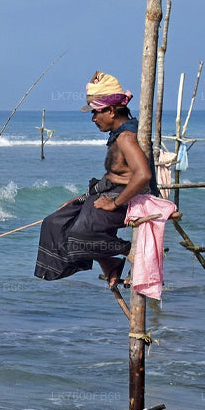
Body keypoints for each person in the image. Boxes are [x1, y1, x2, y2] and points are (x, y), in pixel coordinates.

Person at [35, 71, 154, 288]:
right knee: (54, 223)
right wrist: (81, 199)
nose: (93, 119)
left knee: (79, 233)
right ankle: (109, 263)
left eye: (95, 112)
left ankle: (130, 251)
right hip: (109, 190)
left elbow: (143, 175)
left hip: (130, 197)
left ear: (111, 111)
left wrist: (114, 203)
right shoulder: (118, 134)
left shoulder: (126, 137)